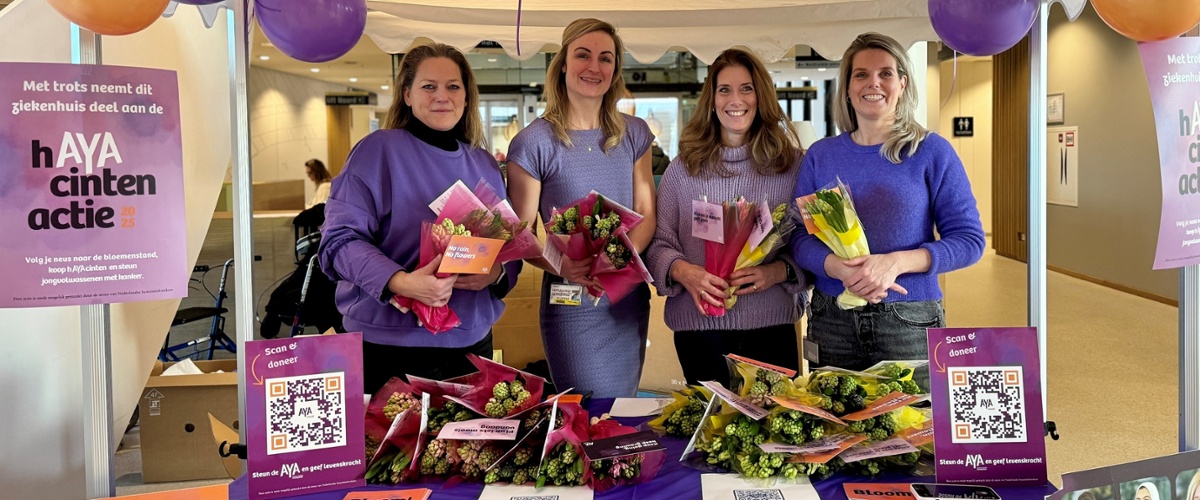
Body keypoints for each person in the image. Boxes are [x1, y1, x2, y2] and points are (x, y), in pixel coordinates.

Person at [317, 43, 521, 394]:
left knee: (465, 450)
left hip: (471, 347)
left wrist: (496, 273)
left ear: (467, 97)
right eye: (429, 86)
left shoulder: (484, 163)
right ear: (407, 94)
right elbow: (338, 243)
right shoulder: (376, 152)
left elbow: (509, 248)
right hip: (388, 349)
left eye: (453, 86)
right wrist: (400, 281)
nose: (442, 96)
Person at [790, 32, 984, 385]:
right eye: (860, 74)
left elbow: (970, 241)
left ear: (903, 83)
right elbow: (801, 237)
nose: (873, 83)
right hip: (832, 319)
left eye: (885, 73)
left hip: (909, 319)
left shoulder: (931, 151)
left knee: (914, 433)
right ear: (847, 87)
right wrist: (836, 268)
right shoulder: (821, 155)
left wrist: (896, 263)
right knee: (833, 429)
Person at [507, 18, 657, 398]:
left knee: (622, 408)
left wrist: (615, 259)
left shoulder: (634, 133)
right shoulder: (533, 142)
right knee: (587, 411)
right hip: (570, 301)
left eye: (606, 58)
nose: (594, 67)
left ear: (615, 70)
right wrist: (561, 264)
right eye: (583, 55)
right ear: (562, 64)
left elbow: (646, 212)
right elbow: (520, 235)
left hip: (625, 300)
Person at [646, 48, 807, 388]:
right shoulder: (683, 168)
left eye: (747, 88)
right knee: (709, 436)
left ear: (761, 95)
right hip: (699, 335)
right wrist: (684, 272)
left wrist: (777, 271)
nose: (736, 100)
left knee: (775, 437)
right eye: (724, 89)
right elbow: (658, 243)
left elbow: (811, 246)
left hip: (771, 329)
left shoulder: (791, 167)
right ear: (712, 98)